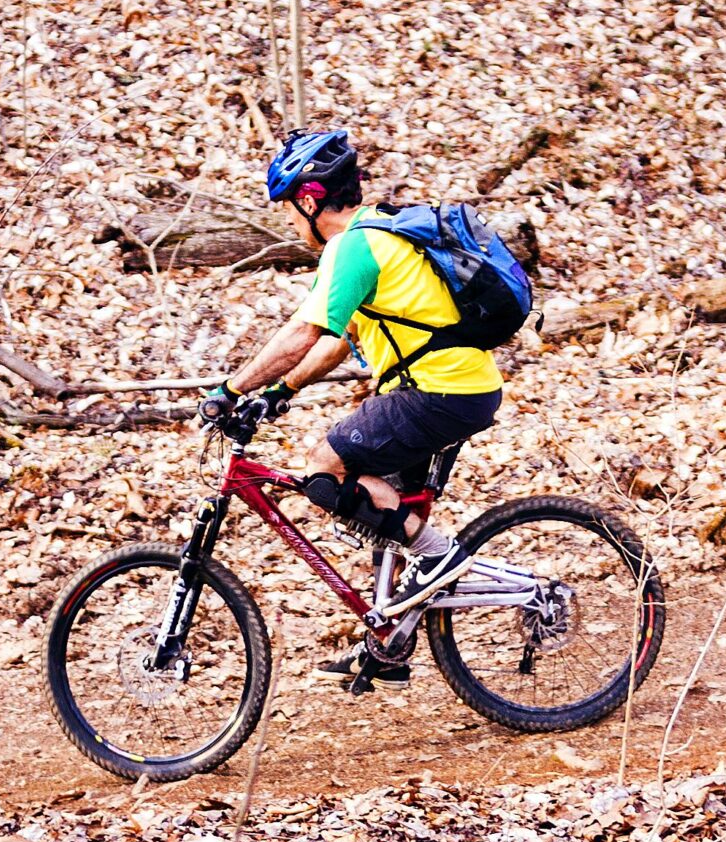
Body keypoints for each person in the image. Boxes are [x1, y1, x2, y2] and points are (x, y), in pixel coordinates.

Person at [199, 130, 504, 687]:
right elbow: (338, 341)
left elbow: (303, 332)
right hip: (454, 387)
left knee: (325, 468)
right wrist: (281, 391)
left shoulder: (353, 247)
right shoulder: (376, 239)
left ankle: (441, 561)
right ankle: (392, 640)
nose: (291, 223)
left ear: (310, 200)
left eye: (290, 210)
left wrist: (232, 389)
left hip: (441, 391)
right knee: (380, 496)